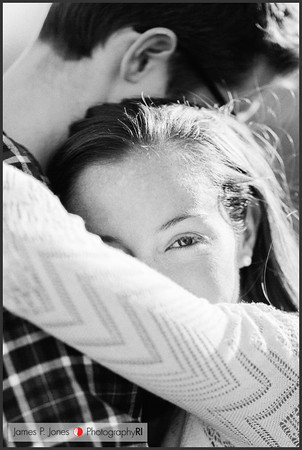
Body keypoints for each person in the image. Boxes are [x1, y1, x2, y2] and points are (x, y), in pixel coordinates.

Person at [3, 2, 299, 446]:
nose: (227, 134)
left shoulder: (272, 359)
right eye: (222, 106)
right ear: (144, 56)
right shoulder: (159, 416)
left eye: (182, 240)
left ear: (246, 228)